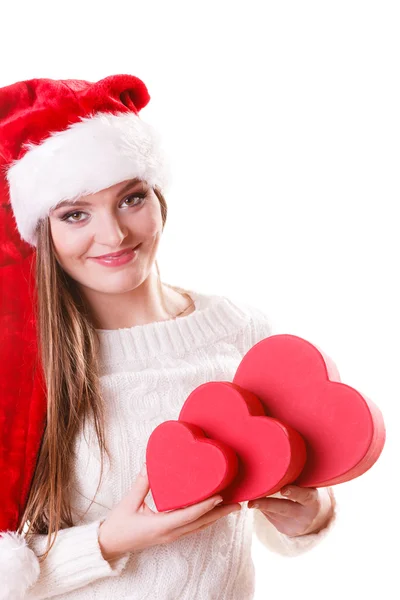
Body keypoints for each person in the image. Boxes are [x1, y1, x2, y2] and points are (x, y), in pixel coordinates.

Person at [0, 74, 336, 600]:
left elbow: (269, 517)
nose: (113, 235)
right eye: (75, 214)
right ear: (42, 229)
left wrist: (311, 515)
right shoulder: (24, 369)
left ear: (158, 197)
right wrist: (107, 542)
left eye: (130, 199)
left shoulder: (241, 329)